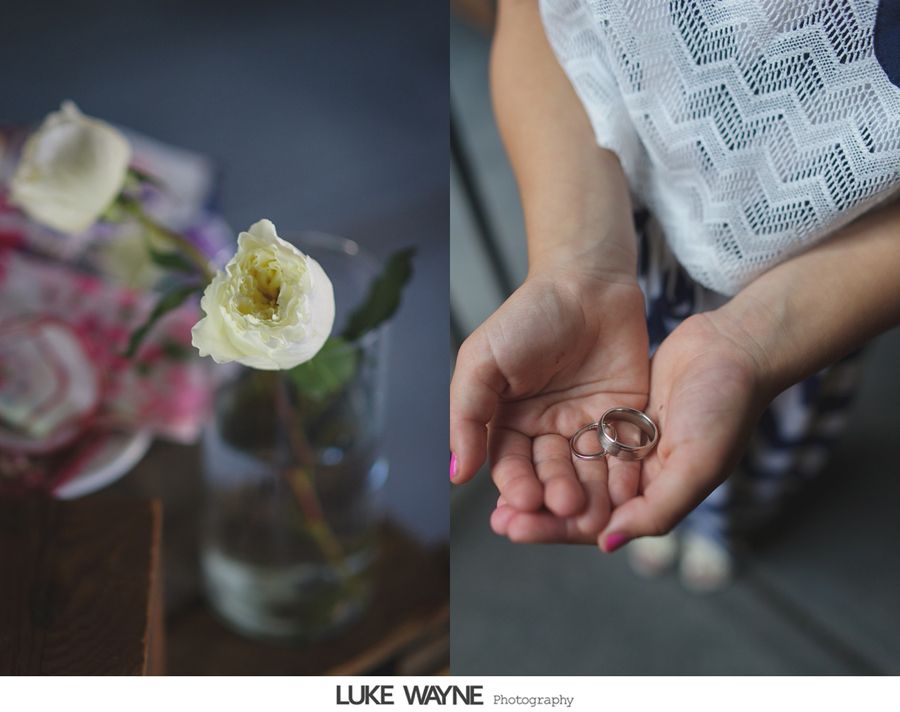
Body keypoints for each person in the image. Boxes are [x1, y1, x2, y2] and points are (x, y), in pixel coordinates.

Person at [449, 0, 900, 591]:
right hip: (619, 222)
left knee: (752, 442)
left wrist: (752, 344)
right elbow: (535, 16)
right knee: (678, 433)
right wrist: (575, 267)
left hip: (821, 288)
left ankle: (726, 526)